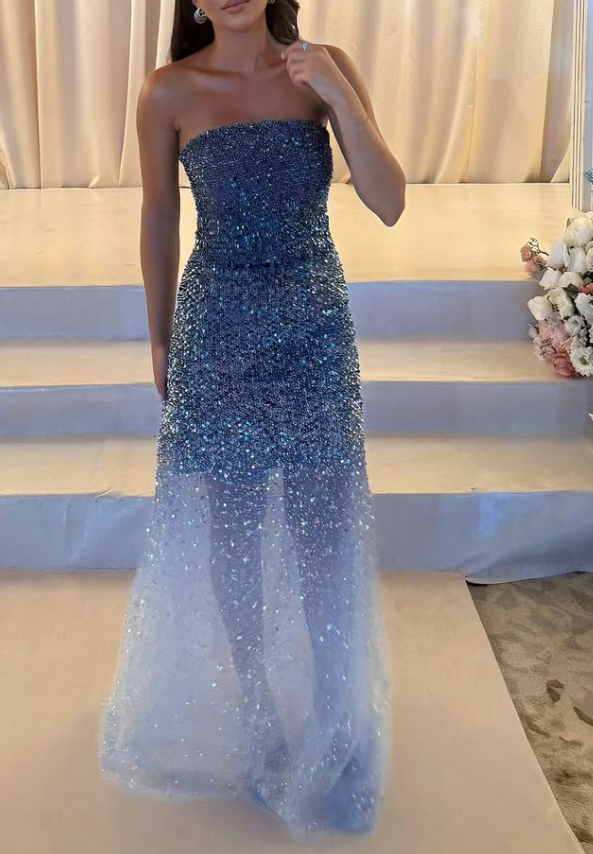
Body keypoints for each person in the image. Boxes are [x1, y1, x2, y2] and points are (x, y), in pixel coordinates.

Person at [98, 0, 406, 839]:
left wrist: (336, 95)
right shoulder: (168, 91)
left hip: (312, 323)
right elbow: (159, 213)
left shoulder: (323, 65)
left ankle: (337, 719)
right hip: (217, 325)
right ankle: (259, 711)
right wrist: (160, 335)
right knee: (229, 526)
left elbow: (388, 202)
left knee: (322, 531)